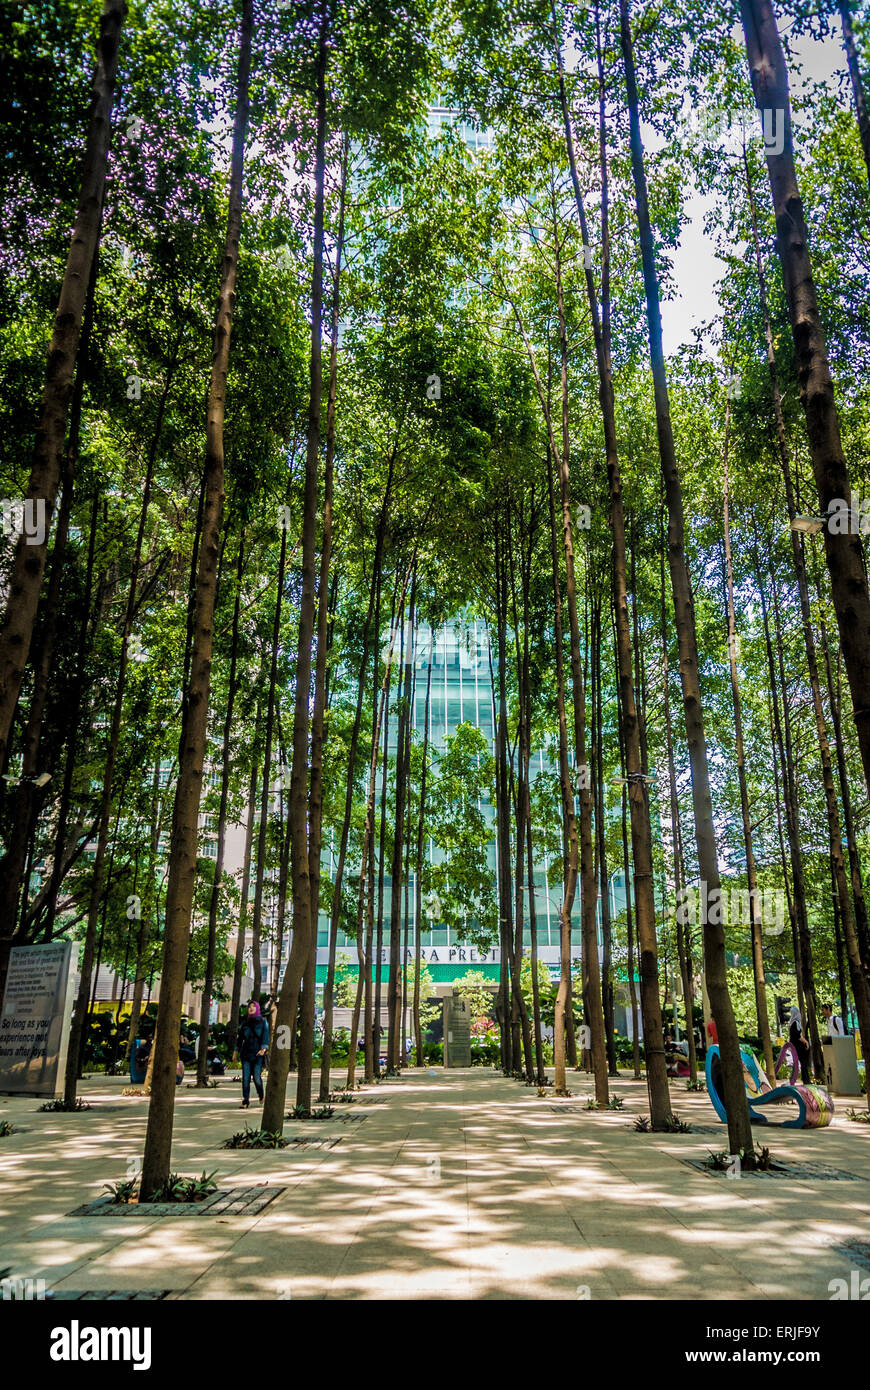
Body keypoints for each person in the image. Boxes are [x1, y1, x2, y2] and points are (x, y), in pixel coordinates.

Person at [238, 1001, 269, 1108]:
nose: (251, 1008)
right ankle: (245, 1101)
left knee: (256, 1078)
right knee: (245, 1078)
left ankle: (261, 1095)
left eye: (253, 1006)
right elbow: (240, 1039)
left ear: (257, 1008)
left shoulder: (263, 1021)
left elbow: (265, 1036)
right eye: (249, 1007)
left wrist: (263, 1049)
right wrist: (235, 1051)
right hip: (246, 1054)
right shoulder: (245, 1023)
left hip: (257, 1055)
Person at [788, 1005, 811, 1084]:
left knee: (797, 1063)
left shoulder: (792, 1023)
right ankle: (806, 1080)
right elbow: (798, 1036)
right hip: (798, 1046)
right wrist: (806, 1042)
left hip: (794, 1046)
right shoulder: (795, 1023)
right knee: (803, 1063)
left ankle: (794, 1080)